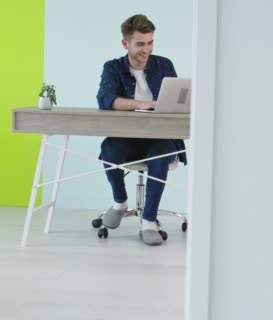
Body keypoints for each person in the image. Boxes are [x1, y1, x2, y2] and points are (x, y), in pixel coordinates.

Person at [96, 14, 186, 246]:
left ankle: (148, 220)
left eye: (150, 43)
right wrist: (140, 104)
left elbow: (177, 100)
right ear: (125, 43)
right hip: (126, 137)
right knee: (108, 148)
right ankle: (120, 203)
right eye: (140, 44)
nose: (146, 49)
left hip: (158, 137)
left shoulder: (164, 64)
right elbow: (106, 99)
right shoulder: (113, 68)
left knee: (162, 154)